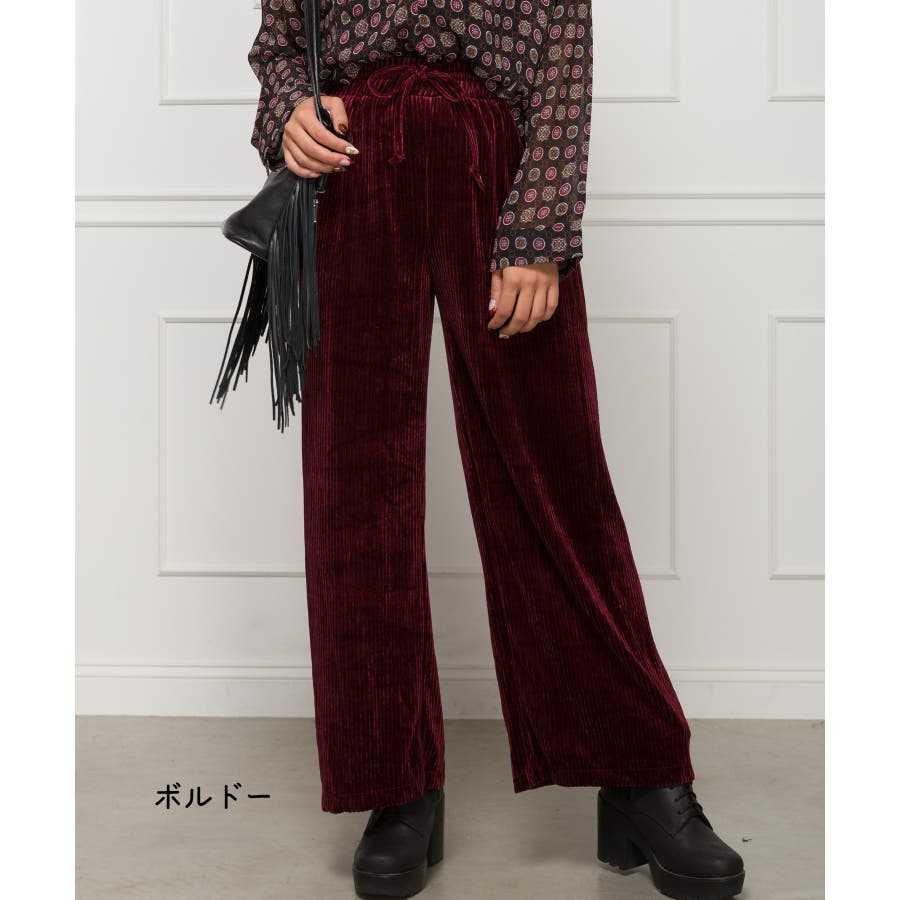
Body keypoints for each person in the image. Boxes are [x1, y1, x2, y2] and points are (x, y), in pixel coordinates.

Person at [245, 2, 746, 898]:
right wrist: (290, 109)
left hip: (494, 164)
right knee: (356, 493)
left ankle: (643, 775)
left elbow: (562, 51)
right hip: (351, 176)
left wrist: (540, 231)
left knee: (555, 477)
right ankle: (396, 786)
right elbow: (280, 41)